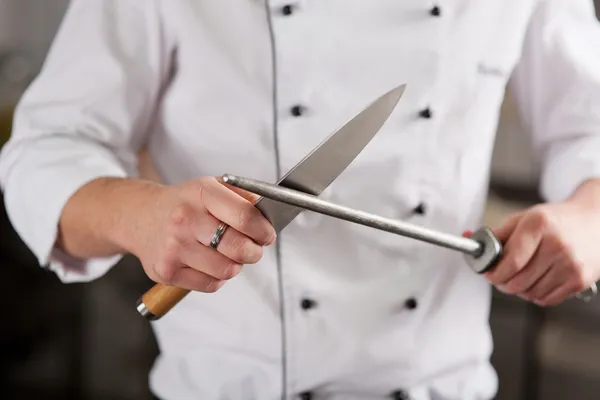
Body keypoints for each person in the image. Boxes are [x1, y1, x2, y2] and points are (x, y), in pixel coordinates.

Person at [2, 1, 600, 399]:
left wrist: (589, 217)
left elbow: (588, 126)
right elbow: (47, 149)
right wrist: (142, 216)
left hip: (443, 386)